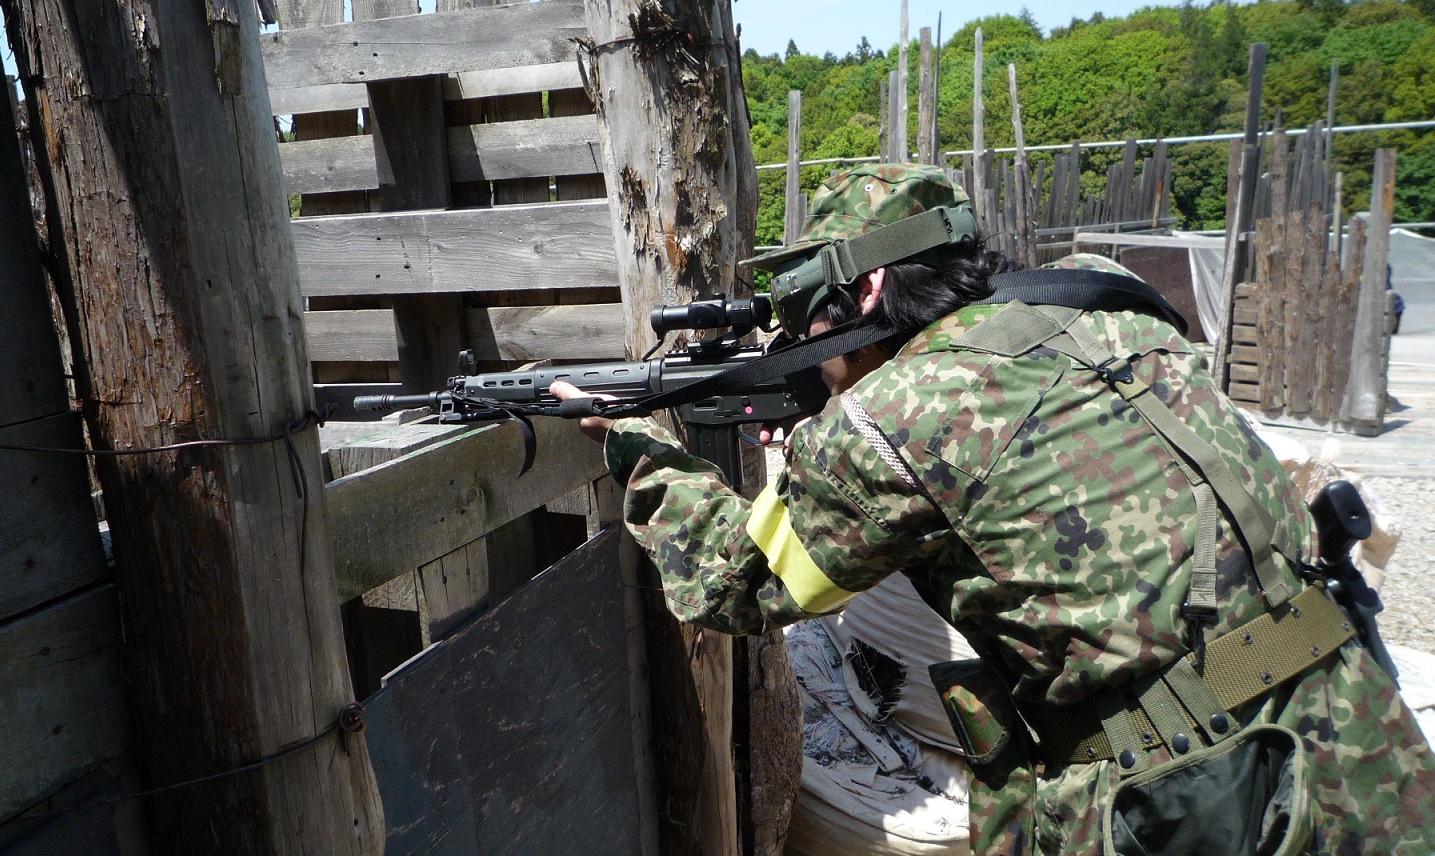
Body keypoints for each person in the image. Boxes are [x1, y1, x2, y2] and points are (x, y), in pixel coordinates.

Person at [552, 163, 1435, 855]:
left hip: (1204, 799)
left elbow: (736, 584)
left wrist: (637, 451)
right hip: (1359, 727)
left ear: (867, 292)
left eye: (809, 320)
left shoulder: (898, 414)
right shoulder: (1106, 302)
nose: (805, 349)